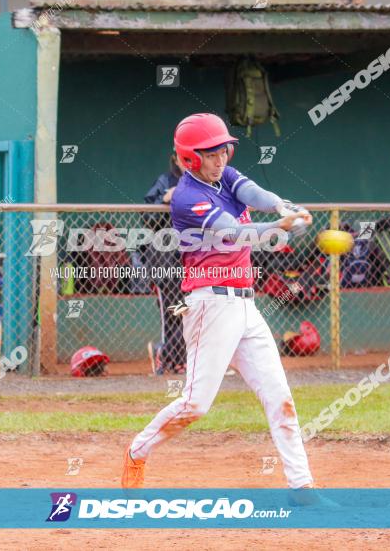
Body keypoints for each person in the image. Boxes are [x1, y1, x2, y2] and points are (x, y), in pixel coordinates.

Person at [121, 113, 317, 493]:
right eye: (210, 154)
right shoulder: (187, 197)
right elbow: (236, 233)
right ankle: (137, 451)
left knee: (281, 399)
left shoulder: (223, 174)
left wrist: (282, 208)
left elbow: (254, 194)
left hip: (246, 306)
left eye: (222, 150)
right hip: (211, 306)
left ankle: (302, 488)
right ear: (190, 159)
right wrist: (280, 228)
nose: (220, 159)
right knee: (195, 404)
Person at [142, 152, 188, 374]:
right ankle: (165, 353)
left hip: (191, 259)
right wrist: (165, 200)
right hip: (164, 257)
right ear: (175, 158)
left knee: (188, 311)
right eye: (183, 158)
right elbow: (148, 218)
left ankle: (179, 359)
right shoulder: (165, 181)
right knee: (170, 310)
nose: (187, 163)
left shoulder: (203, 183)